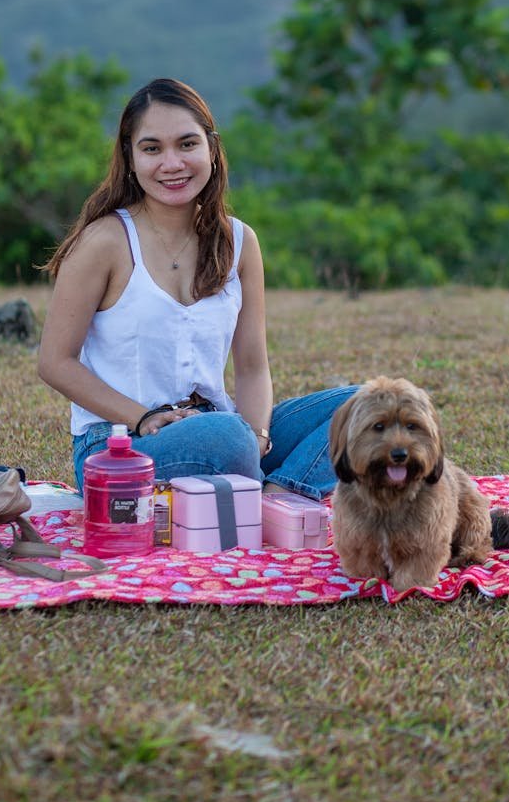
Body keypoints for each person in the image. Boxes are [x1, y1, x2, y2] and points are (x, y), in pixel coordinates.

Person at [38, 77, 356, 498]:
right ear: (130, 158)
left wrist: (258, 436)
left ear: (211, 149)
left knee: (365, 406)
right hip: (122, 446)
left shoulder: (239, 242)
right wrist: (143, 418)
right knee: (226, 438)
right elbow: (55, 362)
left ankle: (279, 494)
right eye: (152, 149)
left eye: (187, 144)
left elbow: (252, 367)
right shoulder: (105, 241)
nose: (172, 163)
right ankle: (261, 496)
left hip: (220, 428)